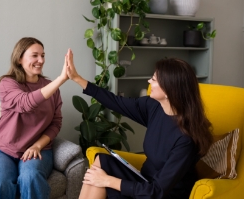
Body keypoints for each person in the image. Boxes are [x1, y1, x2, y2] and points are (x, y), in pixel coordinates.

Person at [66, 50, 213, 199]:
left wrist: (109, 181)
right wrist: (77, 78)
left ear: (169, 90)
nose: (149, 82)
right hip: (143, 182)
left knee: (101, 178)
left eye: (154, 79)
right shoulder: (154, 106)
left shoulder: (186, 140)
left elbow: (157, 191)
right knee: (101, 162)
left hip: (162, 194)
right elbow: (116, 102)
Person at [0, 37, 71, 199]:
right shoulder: (7, 83)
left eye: (43, 55)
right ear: (19, 58)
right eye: (34, 55)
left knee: (31, 177)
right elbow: (25, 103)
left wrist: (37, 145)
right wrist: (60, 79)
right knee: (0, 183)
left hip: (37, 150)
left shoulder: (51, 88)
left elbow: (56, 123)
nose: (41, 60)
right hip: (1, 150)